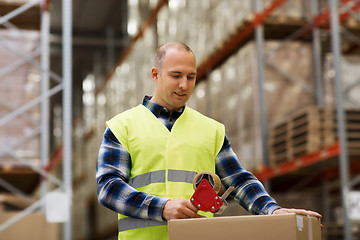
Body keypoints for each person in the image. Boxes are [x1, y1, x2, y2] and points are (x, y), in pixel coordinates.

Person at [96, 41, 322, 240]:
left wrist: (271, 210)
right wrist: (162, 207)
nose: (184, 85)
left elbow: (238, 180)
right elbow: (109, 188)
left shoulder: (210, 130)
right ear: (155, 74)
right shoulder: (122, 126)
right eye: (176, 76)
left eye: (191, 77)